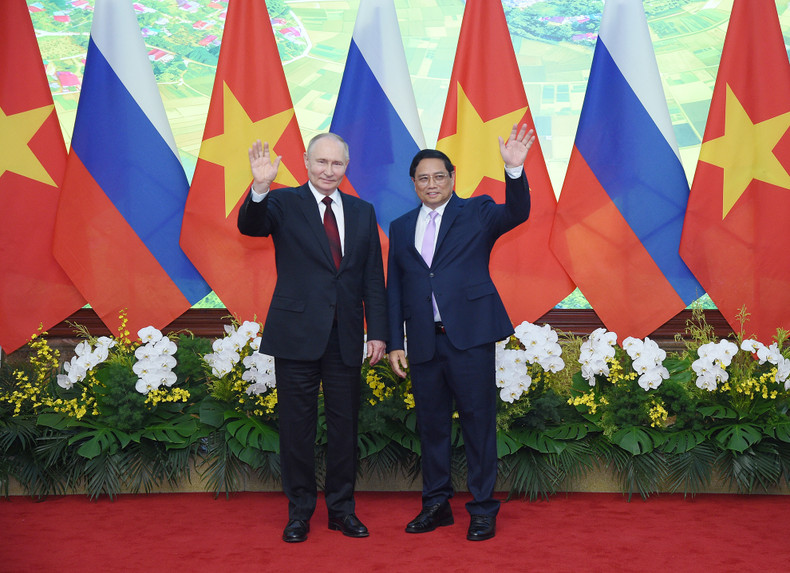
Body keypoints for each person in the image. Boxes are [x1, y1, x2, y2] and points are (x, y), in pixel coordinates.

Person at [386, 123, 535, 541]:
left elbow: (517, 212)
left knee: (477, 424)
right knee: (431, 426)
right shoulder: (400, 226)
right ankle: (435, 505)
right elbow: (394, 287)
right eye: (423, 178)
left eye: (439, 176)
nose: (432, 184)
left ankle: (483, 509)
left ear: (453, 178)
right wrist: (395, 341)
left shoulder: (478, 212)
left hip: (469, 338)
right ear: (413, 183)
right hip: (423, 341)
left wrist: (514, 170)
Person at [238, 133, 387, 543]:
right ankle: (299, 513)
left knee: (344, 428)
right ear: (305, 161)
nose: (328, 170)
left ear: (346, 167)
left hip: (345, 337)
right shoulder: (283, 202)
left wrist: (377, 332)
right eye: (321, 162)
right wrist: (260, 187)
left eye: (336, 164)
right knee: (296, 428)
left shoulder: (362, 211)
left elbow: (372, 277)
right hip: (296, 335)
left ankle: (342, 511)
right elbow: (251, 226)